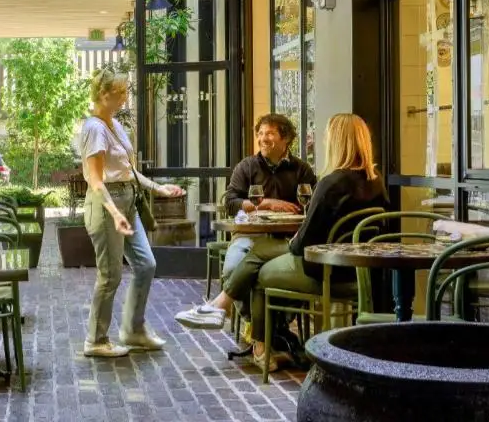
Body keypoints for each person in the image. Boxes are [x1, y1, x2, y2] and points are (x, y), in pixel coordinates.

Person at [227, 113, 390, 368]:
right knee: (259, 254)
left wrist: (292, 242)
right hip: (359, 275)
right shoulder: (376, 182)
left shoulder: (329, 183)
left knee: (258, 272)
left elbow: (303, 245)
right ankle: (259, 328)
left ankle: (262, 348)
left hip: (324, 273)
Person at [75, 64, 185, 358]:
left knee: (146, 265)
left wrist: (159, 189)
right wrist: (114, 212)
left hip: (128, 200)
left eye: (125, 92)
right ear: (103, 94)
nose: (124, 98)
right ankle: (95, 340)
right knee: (110, 275)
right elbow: (96, 180)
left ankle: (133, 331)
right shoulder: (94, 129)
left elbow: (130, 172)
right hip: (106, 204)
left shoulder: (115, 125)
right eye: (119, 93)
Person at [175, 113, 317, 329]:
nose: (262, 138)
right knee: (233, 269)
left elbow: (313, 203)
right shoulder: (247, 166)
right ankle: (256, 326)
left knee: (272, 274)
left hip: (286, 239)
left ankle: (274, 326)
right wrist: (266, 204)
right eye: (260, 133)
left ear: (285, 138)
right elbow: (231, 202)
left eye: (269, 133)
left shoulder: (302, 170)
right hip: (249, 235)